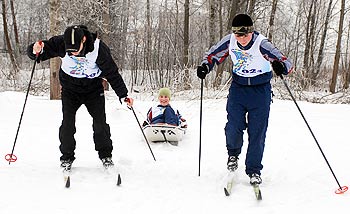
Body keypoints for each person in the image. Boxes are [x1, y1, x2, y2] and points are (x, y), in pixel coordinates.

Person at [197, 14, 293, 185]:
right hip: (238, 89)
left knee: (257, 132)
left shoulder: (261, 43)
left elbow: (285, 61)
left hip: (260, 91)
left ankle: (254, 170)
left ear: (251, 31)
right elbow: (212, 55)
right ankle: (233, 155)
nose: (241, 39)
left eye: (244, 34)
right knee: (233, 127)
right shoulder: (230, 41)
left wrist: (281, 66)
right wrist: (205, 66)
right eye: (237, 34)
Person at [27, 25, 133, 171]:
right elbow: (38, 53)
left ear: (83, 40)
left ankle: (106, 156)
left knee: (100, 123)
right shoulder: (61, 42)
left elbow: (112, 73)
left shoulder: (98, 48)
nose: (74, 54)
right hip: (70, 90)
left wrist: (123, 95)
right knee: (67, 124)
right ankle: (67, 157)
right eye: (70, 52)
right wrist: (34, 50)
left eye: (76, 50)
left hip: (93, 89)